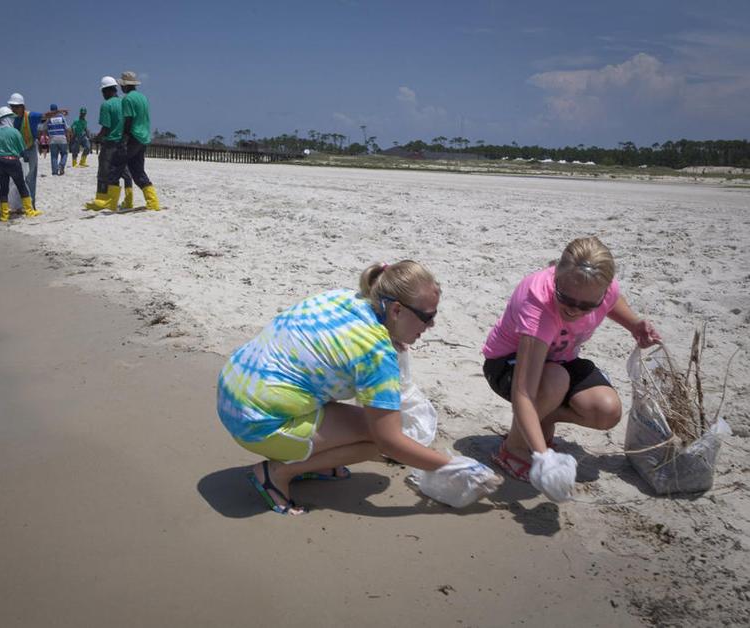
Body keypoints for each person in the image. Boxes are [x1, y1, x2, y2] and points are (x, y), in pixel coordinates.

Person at [217, 261, 467, 516]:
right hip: (254, 424)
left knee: (369, 420)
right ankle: (276, 473)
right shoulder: (375, 353)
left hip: (233, 390)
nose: (432, 325)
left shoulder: (346, 299)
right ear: (396, 310)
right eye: (428, 316)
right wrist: (452, 465)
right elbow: (390, 442)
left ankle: (311, 458)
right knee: (378, 437)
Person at [482, 236, 662, 500]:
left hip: (560, 360)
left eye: (587, 305)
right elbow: (523, 392)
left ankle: (545, 416)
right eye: (566, 299)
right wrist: (544, 458)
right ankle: (512, 450)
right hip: (506, 364)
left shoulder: (603, 288)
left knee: (606, 410)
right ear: (556, 278)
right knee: (555, 379)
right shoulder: (537, 304)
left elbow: (613, 301)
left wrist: (635, 325)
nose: (575, 310)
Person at [6, 92, 66, 208]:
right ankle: (18, 205)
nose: (13, 109)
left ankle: (31, 205)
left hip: (30, 148)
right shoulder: (9, 118)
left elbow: (45, 115)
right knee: (16, 178)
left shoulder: (30, 116)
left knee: (31, 178)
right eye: (12, 106)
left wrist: (58, 112)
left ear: (23, 107)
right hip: (17, 151)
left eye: (16, 107)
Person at [117, 70, 160, 210]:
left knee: (118, 166)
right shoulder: (143, 98)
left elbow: (128, 120)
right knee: (138, 171)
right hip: (143, 138)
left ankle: (116, 200)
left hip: (133, 137)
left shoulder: (127, 99)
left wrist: (123, 138)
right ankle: (153, 202)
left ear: (125, 86)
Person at [0, 106, 41, 222]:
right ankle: (30, 210)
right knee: (21, 185)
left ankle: (4, 214)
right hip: (12, 161)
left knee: (4, 187)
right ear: (7, 118)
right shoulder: (14, 132)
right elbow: (22, 149)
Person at [83, 76, 126, 211]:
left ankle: (101, 200)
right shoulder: (123, 103)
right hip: (123, 143)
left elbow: (106, 128)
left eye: (103, 92)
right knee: (118, 173)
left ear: (107, 91)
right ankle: (114, 202)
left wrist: (96, 138)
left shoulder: (106, 105)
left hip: (110, 143)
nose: (102, 95)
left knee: (103, 173)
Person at [45, 103, 71, 175]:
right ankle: (61, 165)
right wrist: (68, 137)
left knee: (54, 156)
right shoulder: (62, 117)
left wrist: (46, 136)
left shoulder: (49, 118)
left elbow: (44, 128)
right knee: (64, 153)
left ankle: (54, 171)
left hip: (52, 139)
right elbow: (67, 128)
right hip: (62, 138)